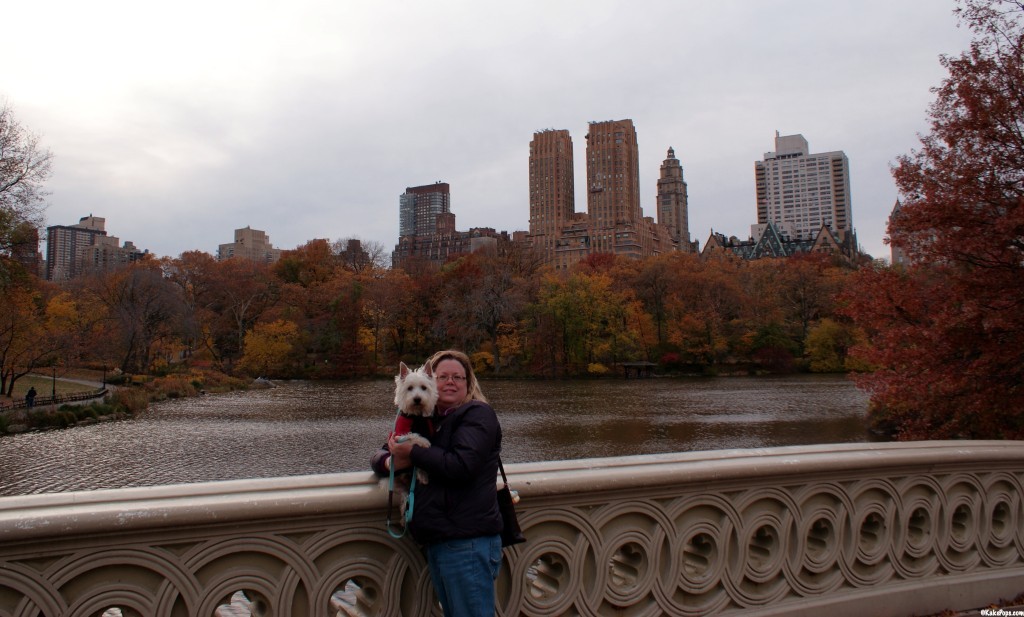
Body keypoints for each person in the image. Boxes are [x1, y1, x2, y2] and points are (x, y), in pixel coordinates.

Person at [372, 350, 503, 617]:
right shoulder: (429, 421)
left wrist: (412, 453)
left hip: (468, 542)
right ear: (434, 382)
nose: (451, 382)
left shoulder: (477, 415)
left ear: (469, 383)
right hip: (443, 540)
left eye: (458, 377)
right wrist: (390, 462)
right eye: (443, 376)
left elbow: (462, 465)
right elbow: (381, 454)